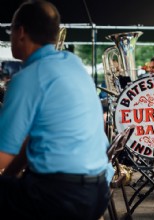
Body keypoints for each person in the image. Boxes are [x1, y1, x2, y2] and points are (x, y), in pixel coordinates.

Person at [0, 1, 113, 219]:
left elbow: (2, 155)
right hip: (97, 191)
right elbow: (31, 142)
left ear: (20, 32)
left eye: (10, 31)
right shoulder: (74, 64)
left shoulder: (28, 78)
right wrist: (11, 176)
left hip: (58, 196)